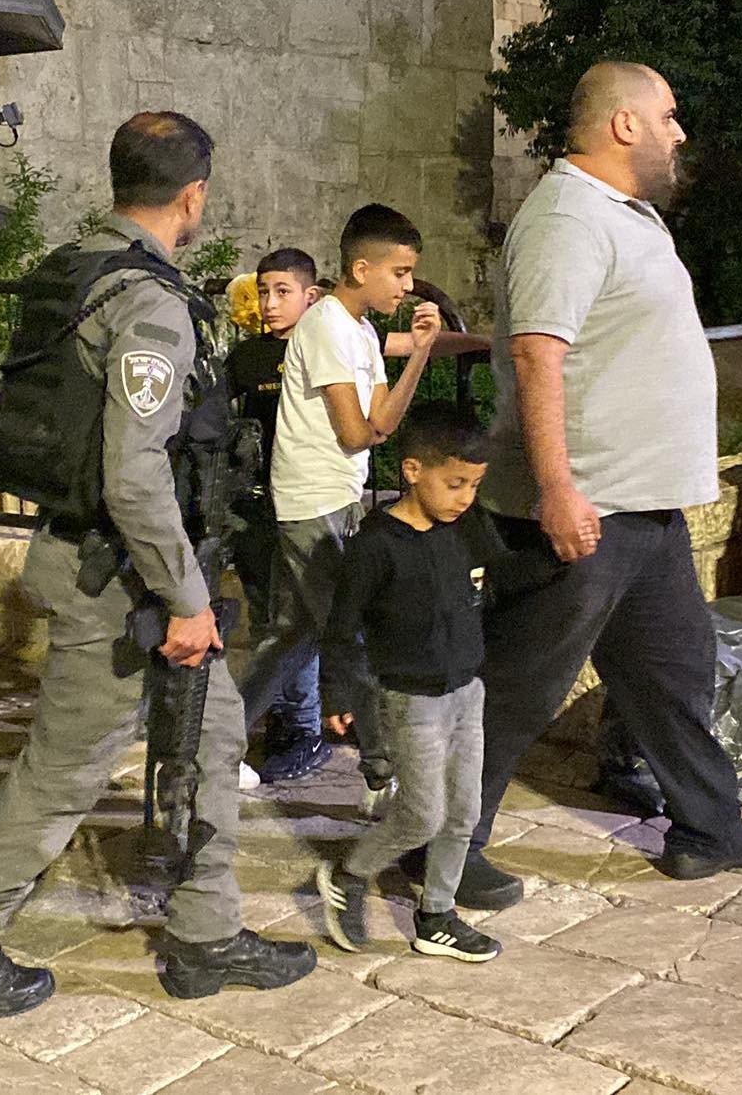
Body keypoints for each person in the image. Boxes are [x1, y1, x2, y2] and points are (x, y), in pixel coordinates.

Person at [0, 112, 316, 1016]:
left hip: (116, 564)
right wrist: (186, 598)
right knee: (62, 774)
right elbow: (133, 473)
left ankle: (205, 936)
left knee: (214, 740)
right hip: (120, 583)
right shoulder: (149, 302)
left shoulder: (73, 270)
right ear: (192, 195)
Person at [458, 62, 742, 909]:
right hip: (584, 511)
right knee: (517, 689)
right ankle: (439, 846)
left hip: (642, 510)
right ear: (624, 124)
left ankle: (708, 830)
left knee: (673, 672)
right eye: (669, 116)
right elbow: (537, 353)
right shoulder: (566, 218)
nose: (679, 132)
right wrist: (557, 490)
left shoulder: (622, 215)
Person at [244, 204, 447, 819]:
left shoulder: (359, 331)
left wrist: (418, 352)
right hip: (312, 502)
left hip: (338, 497)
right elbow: (361, 432)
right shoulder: (328, 325)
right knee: (350, 633)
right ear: (361, 269)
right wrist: (383, 412)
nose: (408, 287)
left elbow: (382, 422)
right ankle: (381, 771)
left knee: (292, 634)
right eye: (400, 273)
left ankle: (209, 744)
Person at [315, 401, 502, 963]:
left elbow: (503, 575)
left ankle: (436, 916)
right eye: (455, 484)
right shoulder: (376, 544)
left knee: (464, 812)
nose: (465, 497)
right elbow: (341, 625)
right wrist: (336, 692)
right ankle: (349, 874)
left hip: (467, 693)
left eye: (474, 485)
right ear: (413, 470)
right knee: (422, 814)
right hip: (411, 700)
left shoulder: (466, 528)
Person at [226, 248, 329, 783]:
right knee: (270, 617)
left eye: (282, 291)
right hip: (257, 504)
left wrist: (435, 343)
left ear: (311, 296)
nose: (269, 303)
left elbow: (389, 345)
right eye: (263, 291)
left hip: (307, 500)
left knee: (297, 620)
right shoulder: (247, 357)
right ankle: (286, 721)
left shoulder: (325, 347)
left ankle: (304, 729)